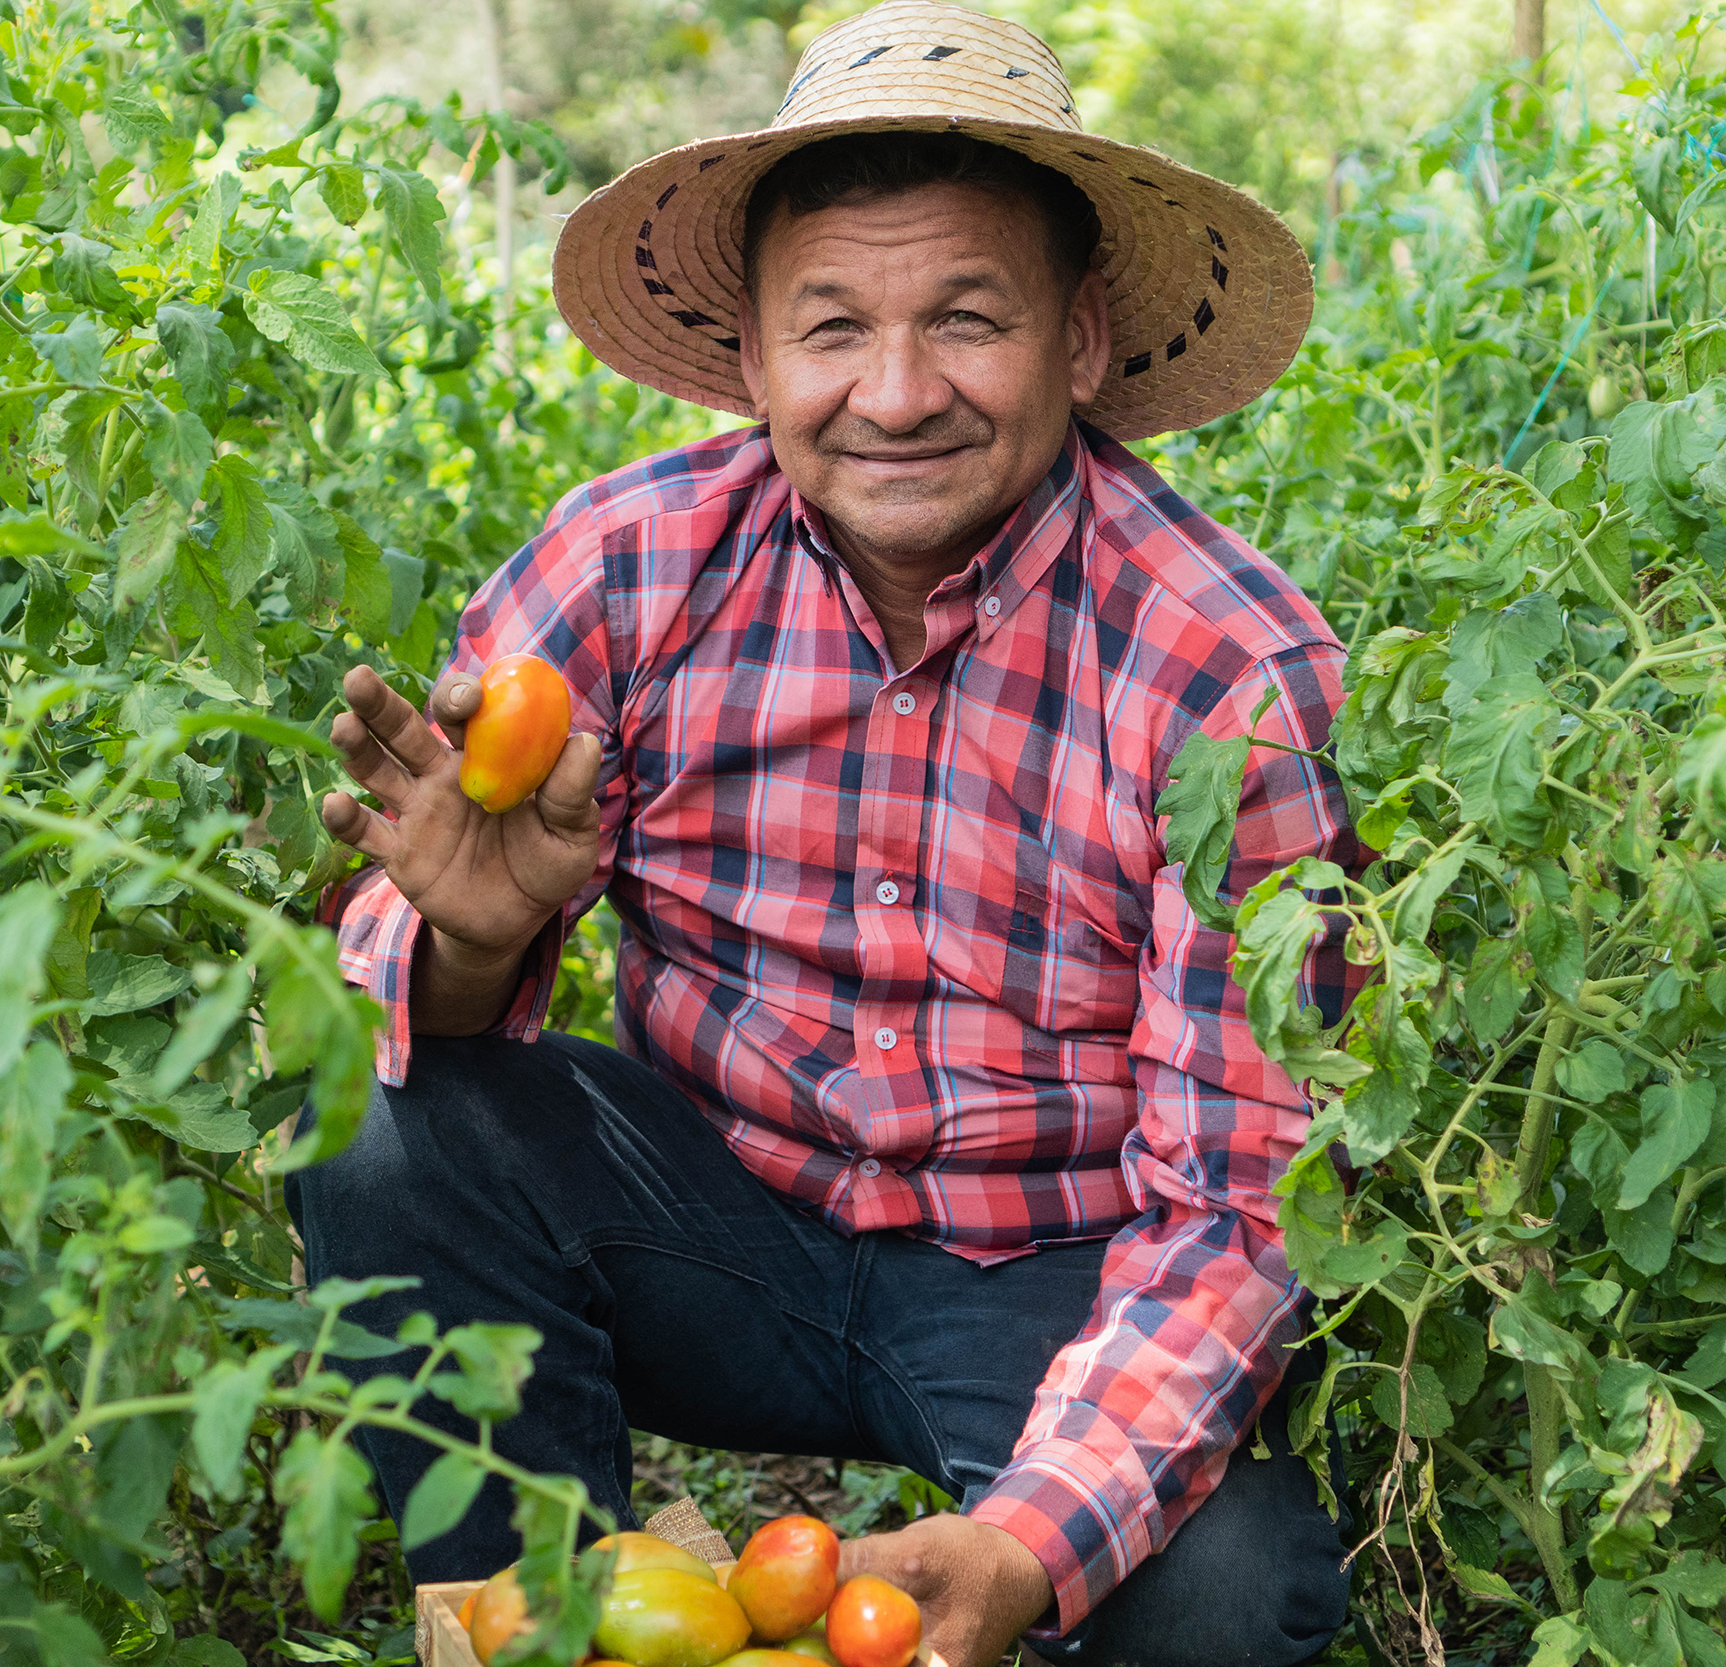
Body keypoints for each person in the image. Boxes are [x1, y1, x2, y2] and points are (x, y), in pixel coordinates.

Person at [288, 6, 1369, 1664]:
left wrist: (1029, 1540)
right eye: (833, 327)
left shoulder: (1226, 665)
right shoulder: (632, 566)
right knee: (383, 1129)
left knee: (1231, 1600)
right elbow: (389, 989)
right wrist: (477, 937)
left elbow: (1242, 1201)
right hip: (718, 1210)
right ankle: (533, 1617)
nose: (895, 392)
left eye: (967, 320)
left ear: (1081, 341)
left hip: (1053, 1270)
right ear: (753, 359)